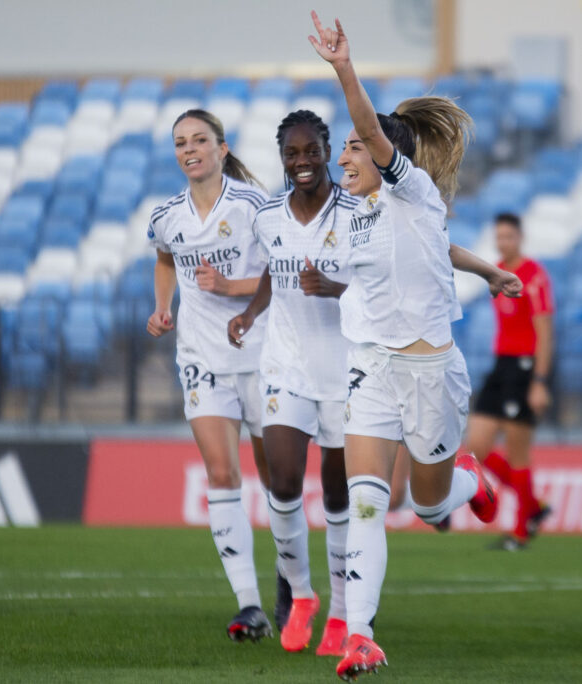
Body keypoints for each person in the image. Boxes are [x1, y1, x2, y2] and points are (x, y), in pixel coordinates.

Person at [307, 12, 522, 679]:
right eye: (342, 147)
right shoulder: (356, 215)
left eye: (351, 146)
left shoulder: (414, 190)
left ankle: (471, 481)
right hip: (370, 370)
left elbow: (377, 137)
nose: (342, 155)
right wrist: (485, 270)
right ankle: (362, 637)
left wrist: (344, 68)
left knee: (428, 508)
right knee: (370, 501)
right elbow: (433, 252)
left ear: (381, 154)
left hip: (431, 372)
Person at [228, 109, 359, 656]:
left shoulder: (358, 213)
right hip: (285, 365)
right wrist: (253, 313)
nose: (301, 161)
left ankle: (343, 612)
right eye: (292, 153)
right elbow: (270, 273)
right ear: (281, 158)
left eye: (311, 150)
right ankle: (301, 596)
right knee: (282, 481)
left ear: (327, 151)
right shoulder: (268, 217)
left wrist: (335, 287)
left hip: (346, 370)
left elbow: (379, 285)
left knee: (335, 494)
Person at [146, 109, 274, 641]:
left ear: (222, 149)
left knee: (279, 485)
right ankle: (251, 606)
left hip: (263, 353)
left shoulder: (253, 206)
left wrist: (231, 290)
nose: (189, 149)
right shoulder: (166, 215)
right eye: (181, 142)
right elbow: (165, 258)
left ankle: (296, 588)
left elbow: (278, 275)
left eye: (200, 139)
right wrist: (162, 307)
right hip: (201, 356)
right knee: (222, 475)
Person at [467, 212, 555, 551]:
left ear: (520, 237)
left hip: (524, 367)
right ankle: (533, 506)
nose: (504, 242)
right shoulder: (498, 273)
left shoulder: (534, 276)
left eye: (509, 237)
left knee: (518, 453)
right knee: (478, 446)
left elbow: (545, 332)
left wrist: (539, 381)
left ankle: (520, 531)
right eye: (499, 237)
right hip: (500, 364)